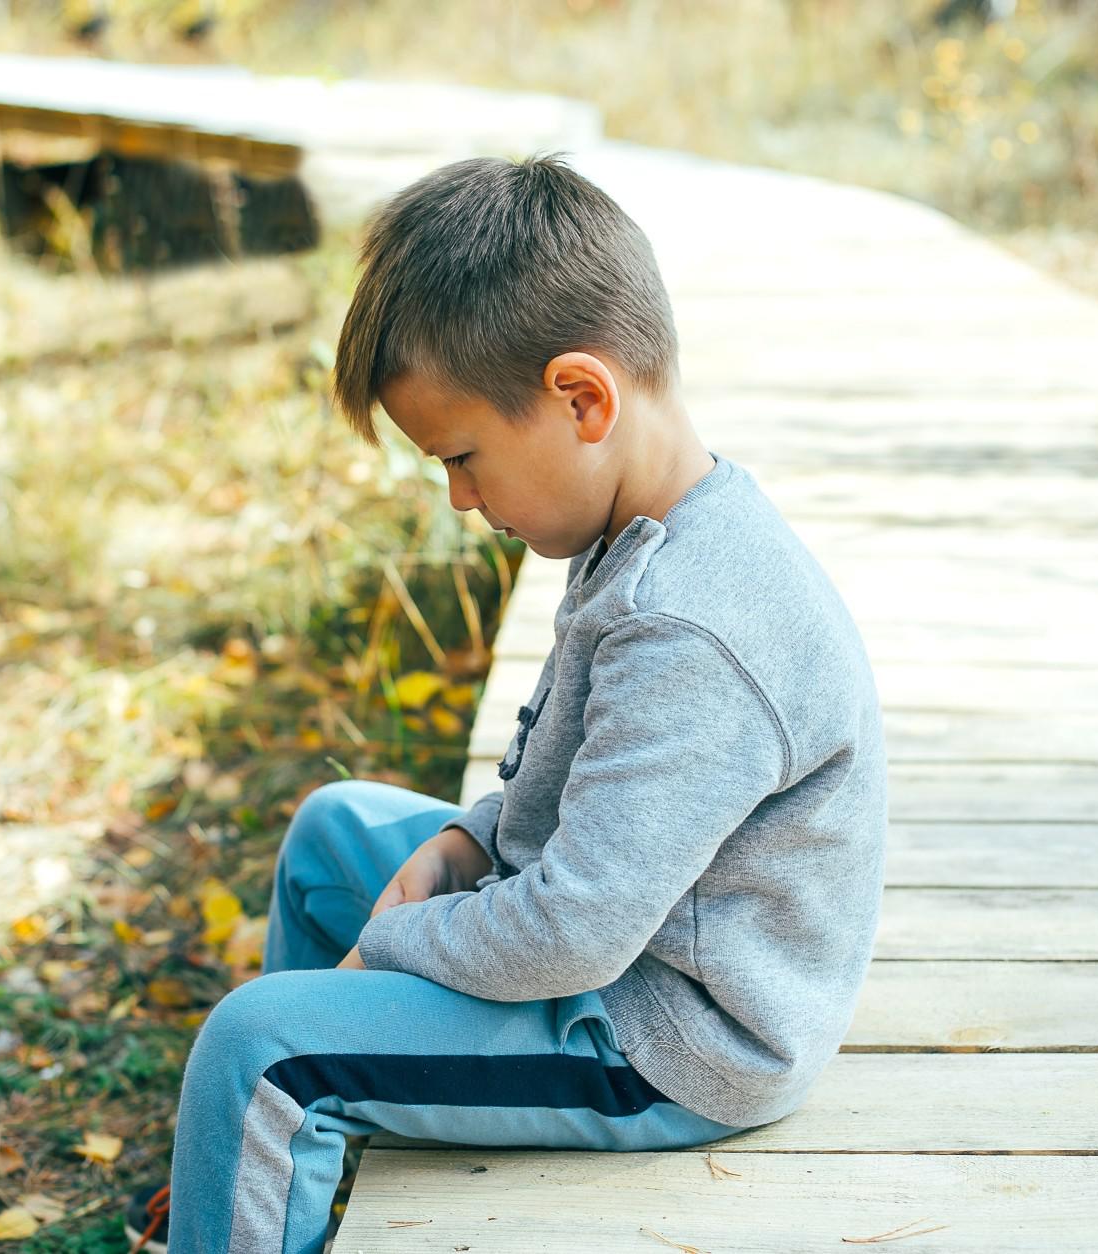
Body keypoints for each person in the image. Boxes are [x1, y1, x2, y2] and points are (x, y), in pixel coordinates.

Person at [124, 151, 888, 1254]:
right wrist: (462, 845)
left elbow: (575, 930)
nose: (461, 497)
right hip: (620, 945)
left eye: (466, 457)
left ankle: (272, 1115)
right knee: (333, 831)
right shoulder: (637, 530)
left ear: (582, 398)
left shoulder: (693, 626)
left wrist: (392, 948)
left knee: (256, 1047)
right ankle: (268, 1169)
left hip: (667, 1038)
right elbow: (563, 783)